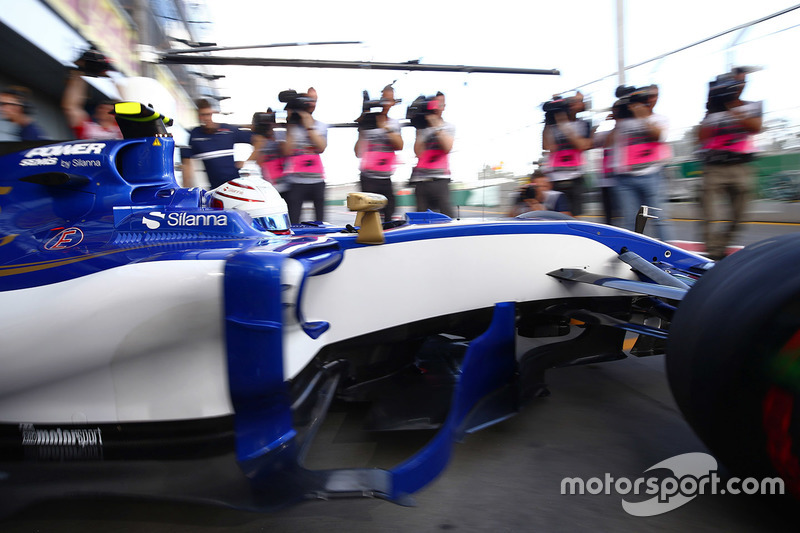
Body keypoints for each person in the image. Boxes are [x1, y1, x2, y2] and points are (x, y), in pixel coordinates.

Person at [697, 67, 763, 260]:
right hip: (714, 167)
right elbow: (701, 137)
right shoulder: (712, 112)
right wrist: (710, 109)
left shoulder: (751, 106)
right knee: (710, 216)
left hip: (741, 166)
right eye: (734, 82)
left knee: (739, 216)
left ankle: (721, 246)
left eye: (741, 82)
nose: (737, 86)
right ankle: (713, 254)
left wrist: (732, 106)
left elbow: (755, 127)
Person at [605, 84, 672, 240]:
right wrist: (616, 119)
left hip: (652, 174)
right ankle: (631, 255)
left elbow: (659, 136)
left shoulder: (658, 119)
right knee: (629, 221)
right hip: (624, 178)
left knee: (659, 219)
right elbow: (608, 143)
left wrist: (643, 116)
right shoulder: (622, 122)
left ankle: (669, 255)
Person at [354, 85, 404, 222]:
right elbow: (358, 152)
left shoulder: (393, 124)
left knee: (390, 213)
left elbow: (400, 145)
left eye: (390, 100)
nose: (386, 104)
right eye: (384, 99)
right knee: (369, 216)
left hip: (386, 177)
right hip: (368, 177)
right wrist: (362, 128)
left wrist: (385, 128)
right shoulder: (368, 123)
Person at [181, 98, 253, 189]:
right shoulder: (194, 135)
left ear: (212, 114)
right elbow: (186, 165)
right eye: (203, 115)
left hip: (236, 187)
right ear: (199, 116)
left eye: (208, 114)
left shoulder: (228, 130)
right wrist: (186, 192)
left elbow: (258, 140)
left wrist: (246, 162)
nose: (206, 118)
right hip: (215, 190)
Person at [541, 92, 592, 216]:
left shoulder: (583, 124)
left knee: (573, 219)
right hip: (554, 178)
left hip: (575, 177)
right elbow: (548, 147)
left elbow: (583, 145)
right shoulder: (552, 126)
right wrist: (548, 123)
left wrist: (563, 123)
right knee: (553, 218)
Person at [282, 87, 328, 224]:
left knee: (320, 221)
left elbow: (321, 147)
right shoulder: (291, 128)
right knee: (294, 221)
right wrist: (291, 125)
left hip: (317, 180)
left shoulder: (320, 126)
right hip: (296, 181)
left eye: (313, 101)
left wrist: (309, 125)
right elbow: (287, 151)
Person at [409, 92, 455, 217]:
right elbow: (419, 153)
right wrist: (419, 129)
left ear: (444, 106)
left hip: (440, 179)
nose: (436, 107)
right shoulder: (423, 128)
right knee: (422, 219)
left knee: (447, 217)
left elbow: (447, 148)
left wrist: (436, 126)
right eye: (434, 104)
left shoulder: (448, 127)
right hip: (421, 180)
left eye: (440, 104)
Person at [62, 69, 122, 140]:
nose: (105, 111)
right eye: (101, 109)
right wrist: (78, 75)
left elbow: (125, 104)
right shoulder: (88, 128)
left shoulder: (121, 129)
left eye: (109, 110)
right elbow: (70, 107)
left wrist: (113, 78)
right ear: (96, 114)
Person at [251, 108, 287, 200]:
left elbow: (286, 151)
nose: (268, 124)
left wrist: (275, 128)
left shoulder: (279, 134)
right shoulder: (257, 139)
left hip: (285, 183)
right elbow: (258, 161)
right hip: (269, 185)